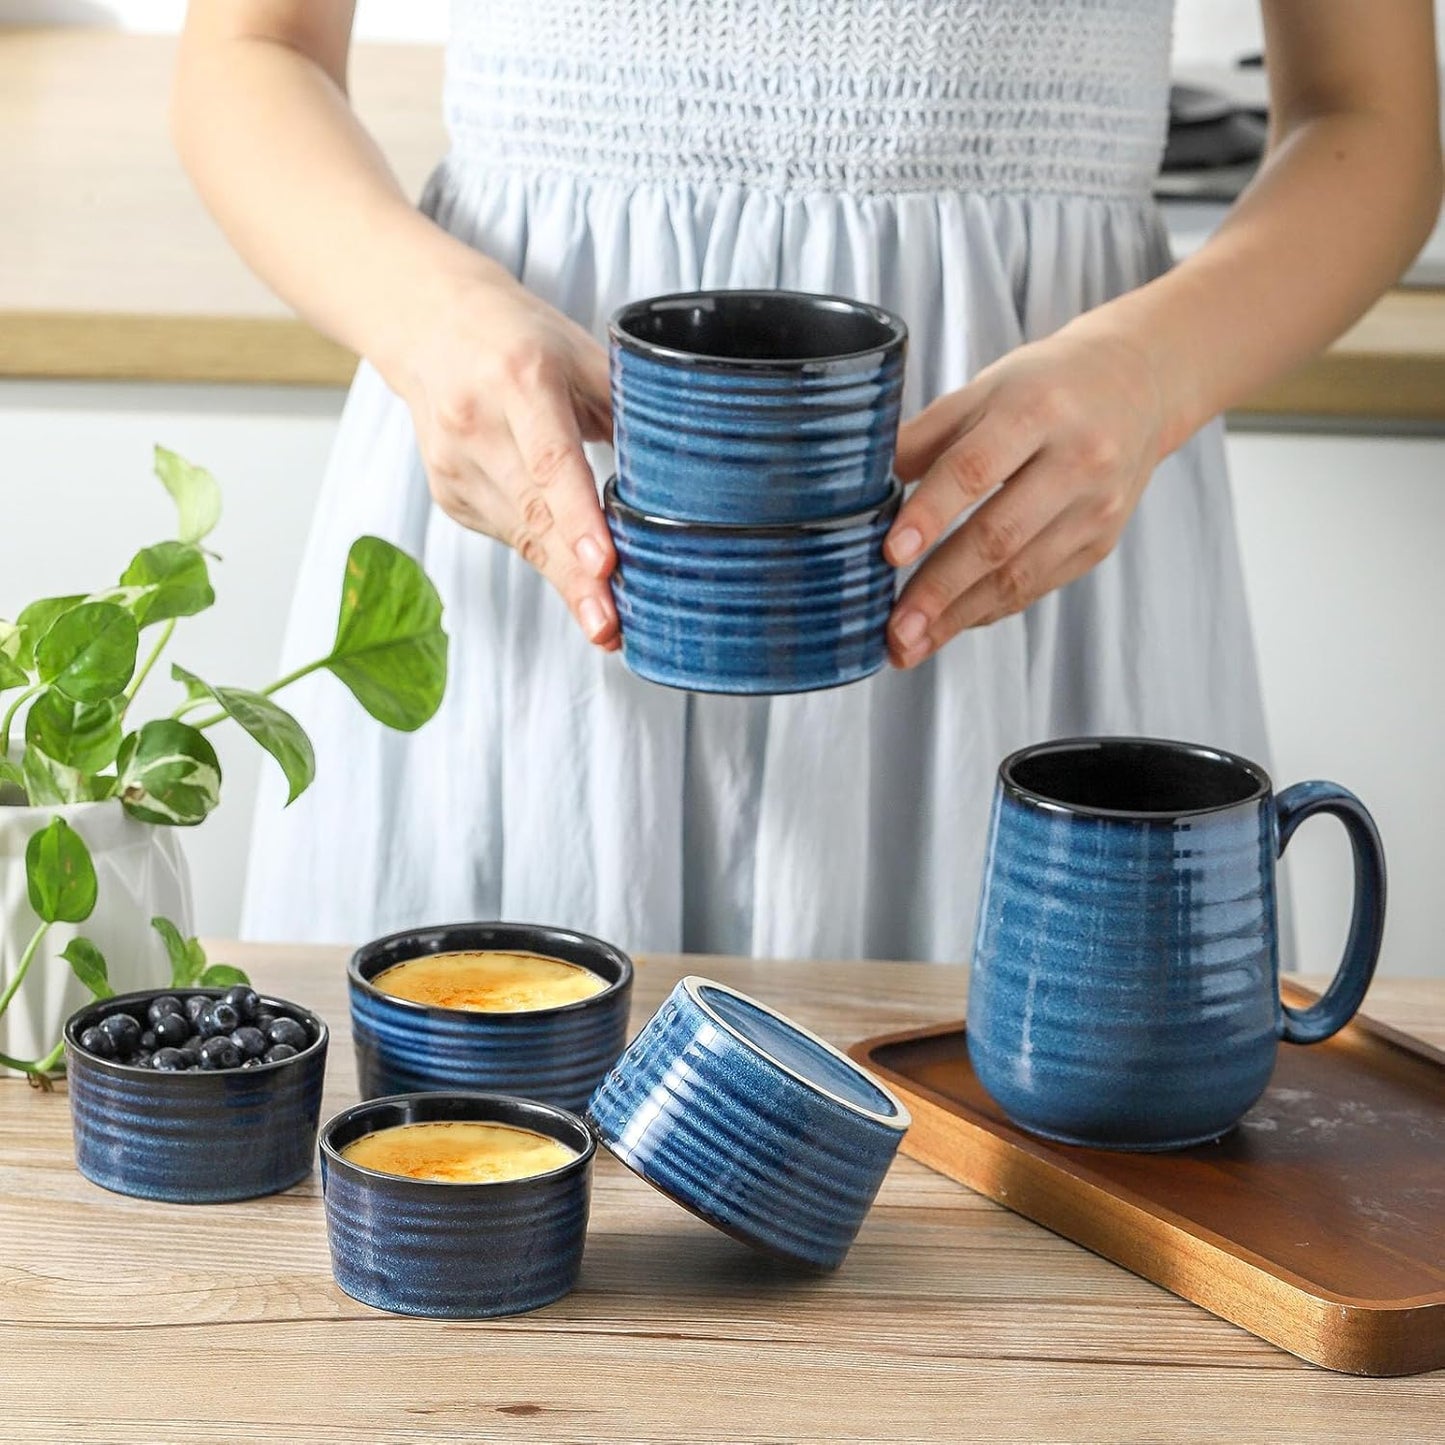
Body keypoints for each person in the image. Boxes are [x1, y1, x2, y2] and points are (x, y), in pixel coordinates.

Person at [174, 2, 1441, 958]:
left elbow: (1367, 117)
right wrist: (427, 318)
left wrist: (1155, 373)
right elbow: (253, 53)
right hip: (528, 480)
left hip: (1034, 518)